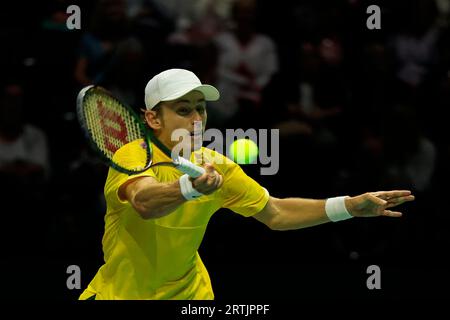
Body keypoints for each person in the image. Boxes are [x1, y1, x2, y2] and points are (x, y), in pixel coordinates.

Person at [79, 68, 415, 300]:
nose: (197, 120)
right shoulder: (132, 155)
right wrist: (191, 189)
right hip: (121, 293)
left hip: (190, 295)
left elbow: (276, 213)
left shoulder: (216, 165)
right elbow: (145, 202)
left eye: (201, 109)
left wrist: (351, 206)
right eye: (183, 110)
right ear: (153, 118)